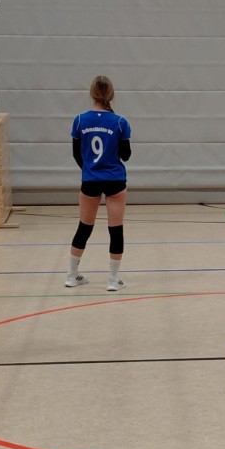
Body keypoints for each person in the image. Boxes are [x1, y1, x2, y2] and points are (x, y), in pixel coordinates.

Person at [66, 76, 131, 291]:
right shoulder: (120, 122)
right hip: (115, 180)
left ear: (92, 93)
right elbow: (126, 155)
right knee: (116, 230)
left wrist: (90, 169)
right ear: (111, 94)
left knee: (84, 227)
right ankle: (113, 279)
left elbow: (77, 154)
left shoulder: (79, 120)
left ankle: (71, 275)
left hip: (90, 179)